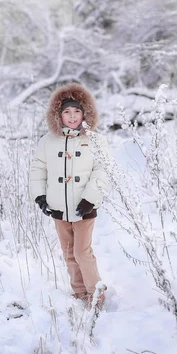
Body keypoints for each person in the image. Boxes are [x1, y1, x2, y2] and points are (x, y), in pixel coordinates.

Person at [29, 83, 109, 309]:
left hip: (84, 208)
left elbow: (102, 170)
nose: (72, 116)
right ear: (58, 115)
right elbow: (38, 169)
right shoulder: (47, 141)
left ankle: (96, 296)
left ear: (85, 113)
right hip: (58, 208)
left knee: (82, 252)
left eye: (76, 111)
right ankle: (79, 293)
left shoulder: (95, 140)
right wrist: (40, 197)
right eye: (66, 111)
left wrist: (90, 198)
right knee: (68, 254)